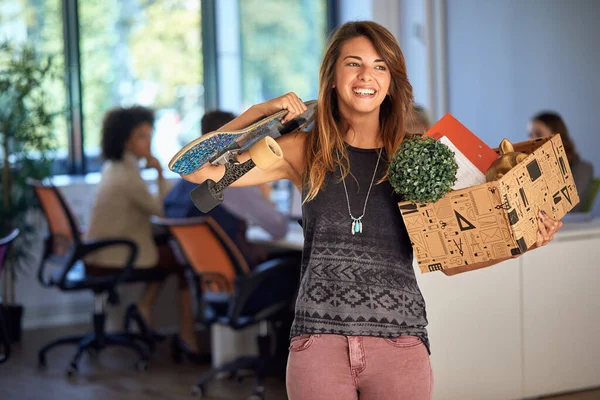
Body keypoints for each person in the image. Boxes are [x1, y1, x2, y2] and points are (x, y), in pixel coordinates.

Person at [181, 21, 563, 400]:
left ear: (392, 81)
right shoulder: (301, 149)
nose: (367, 75)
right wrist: (256, 114)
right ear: (332, 76)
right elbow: (196, 170)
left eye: (380, 66)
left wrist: (523, 242)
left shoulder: (420, 157)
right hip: (319, 343)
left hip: (399, 342)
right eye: (354, 63)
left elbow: (450, 260)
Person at [84, 106, 198, 351]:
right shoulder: (127, 175)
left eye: (149, 135)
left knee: (171, 251)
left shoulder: (115, 168)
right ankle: (188, 336)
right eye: (142, 136)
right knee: (184, 259)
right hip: (113, 253)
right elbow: (164, 211)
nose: (149, 142)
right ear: (125, 140)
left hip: (100, 249)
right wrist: (159, 171)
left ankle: (144, 306)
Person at [163, 110, 290, 268]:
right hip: (238, 276)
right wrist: (266, 195)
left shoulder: (181, 186)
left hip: (198, 272)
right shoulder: (231, 183)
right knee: (292, 263)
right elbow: (279, 228)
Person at [529, 112, 595, 213]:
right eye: (530, 135)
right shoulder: (530, 168)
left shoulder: (583, 169)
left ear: (555, 135)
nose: (531, 140)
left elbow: (571, 207)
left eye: (538, 134)